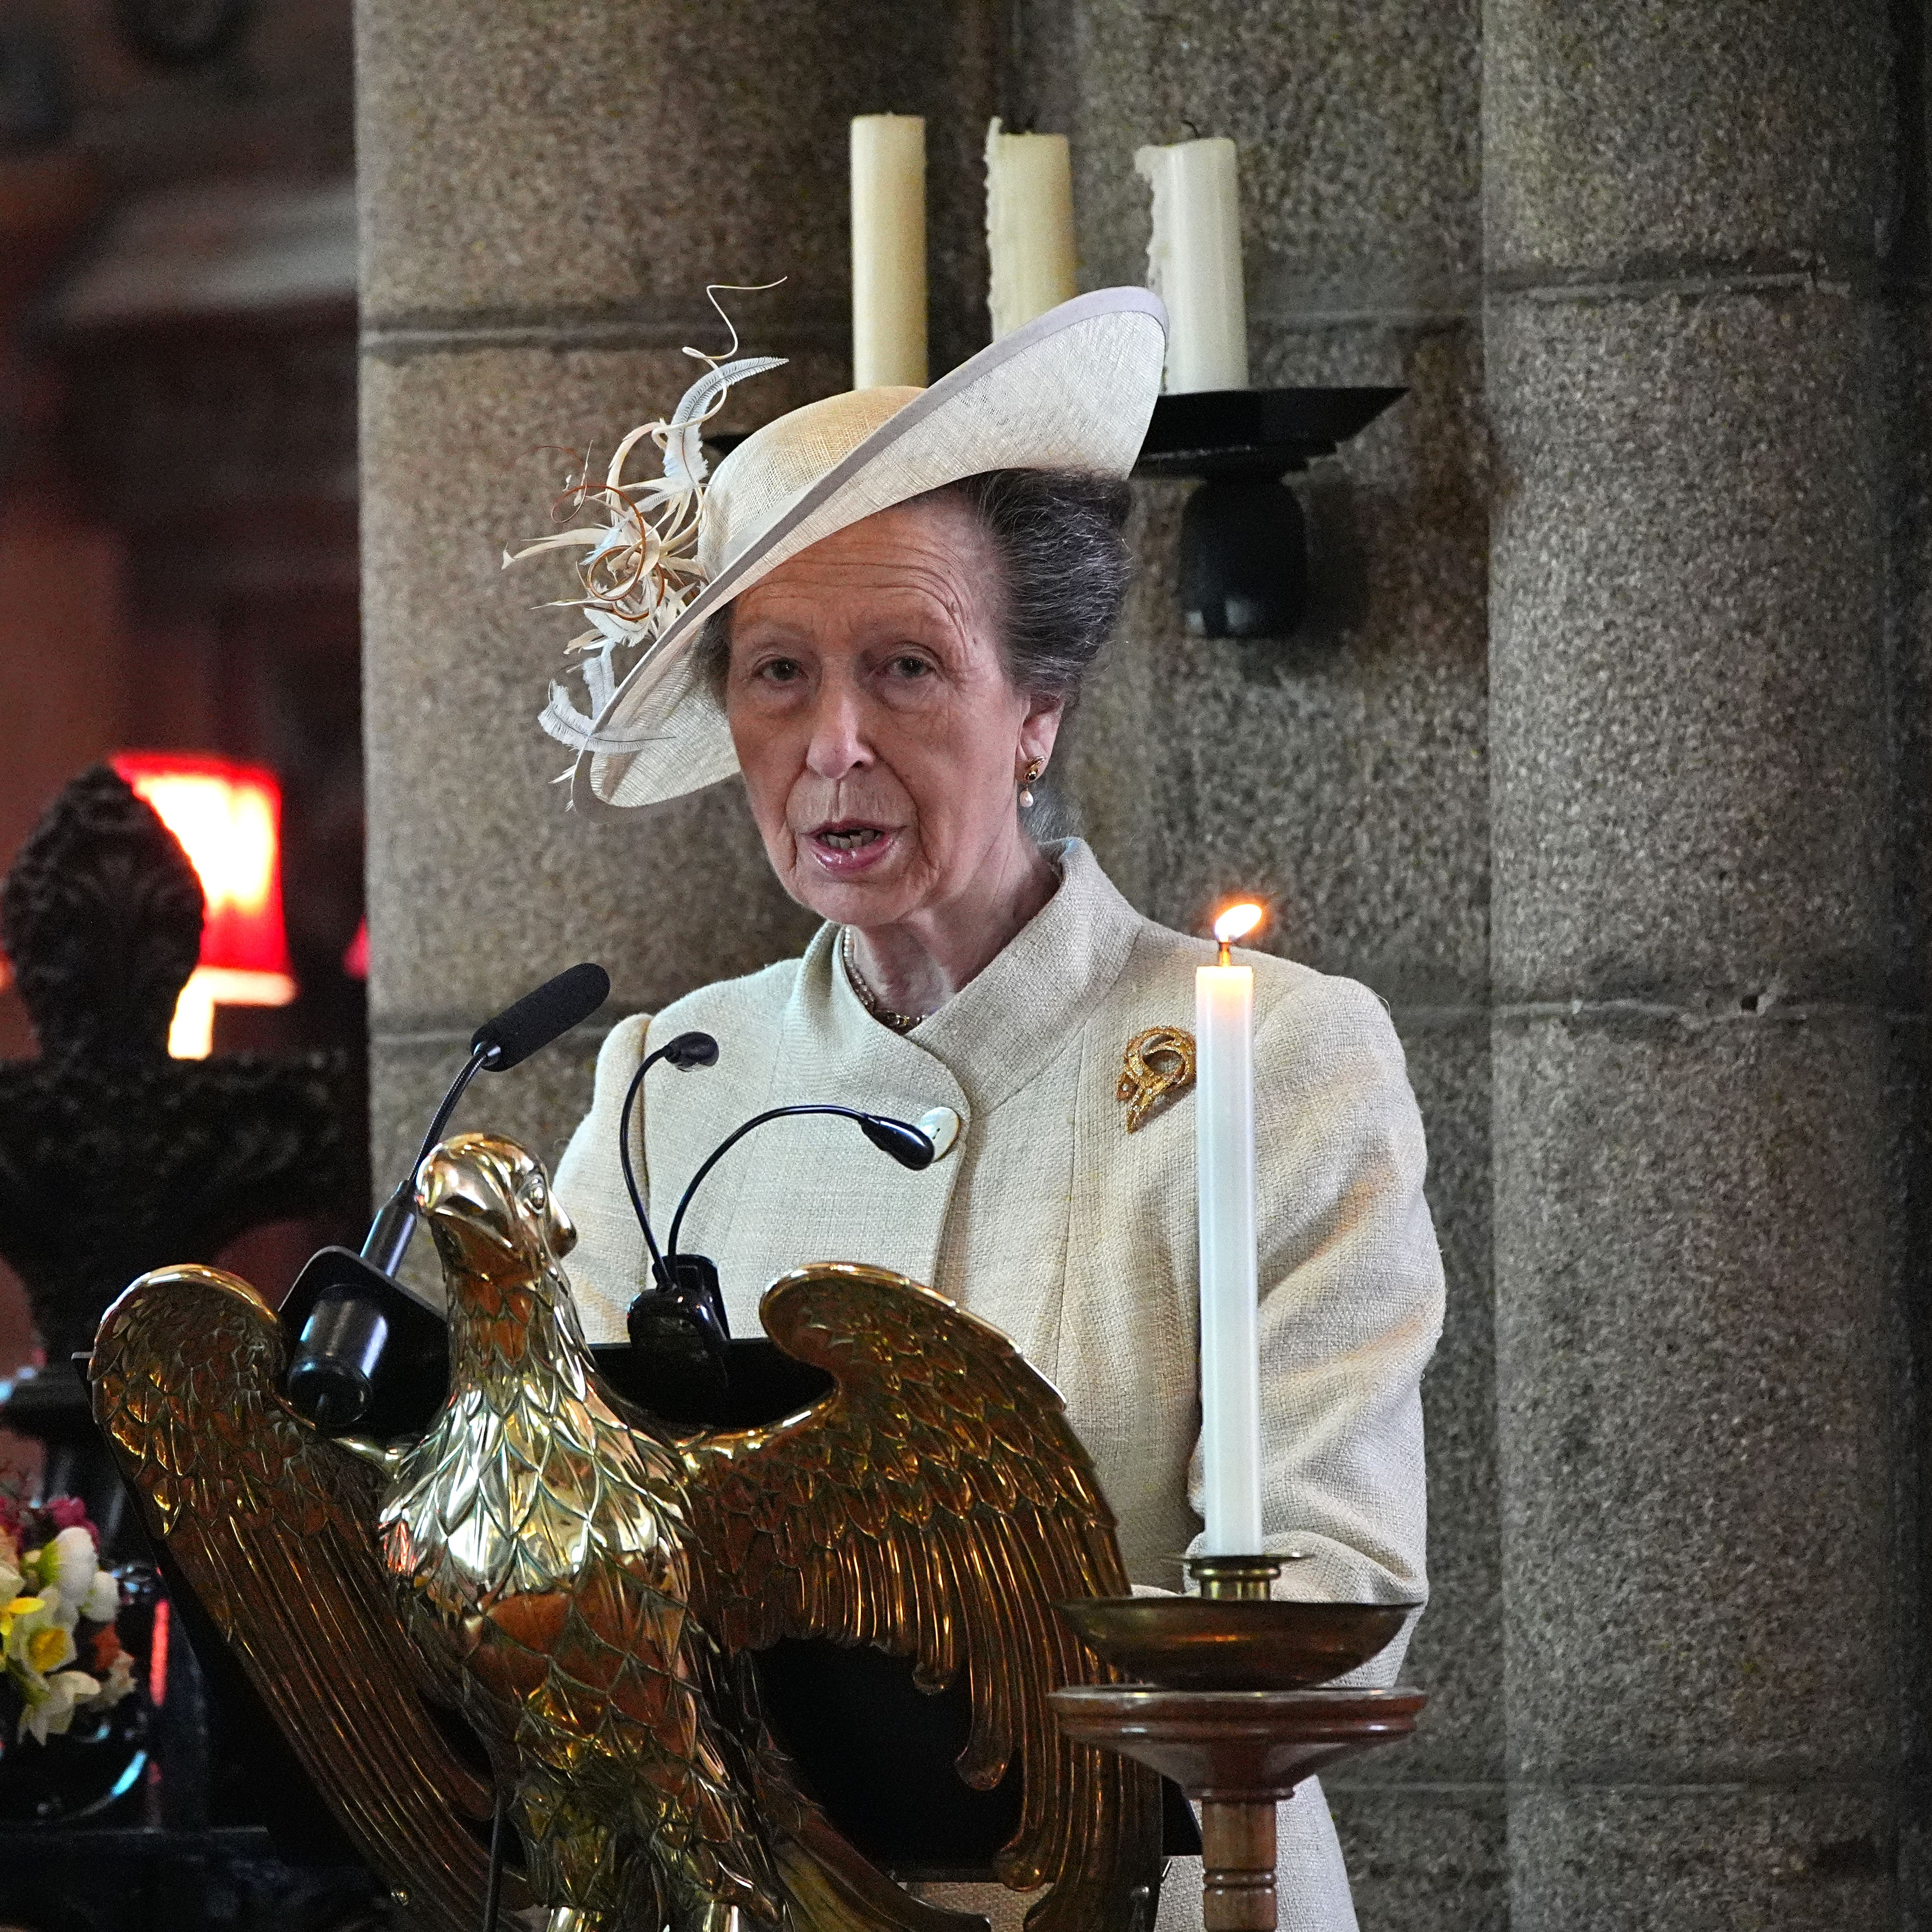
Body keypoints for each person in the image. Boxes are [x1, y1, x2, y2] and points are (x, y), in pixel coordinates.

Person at [526, 291, 1443, 1932]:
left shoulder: (1273, 1057)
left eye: (907, 669)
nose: (837, 746)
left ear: (1038, 710)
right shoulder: (671, 1082)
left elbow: (1338, 1589)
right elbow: (551, 1527)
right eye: (781, 675)